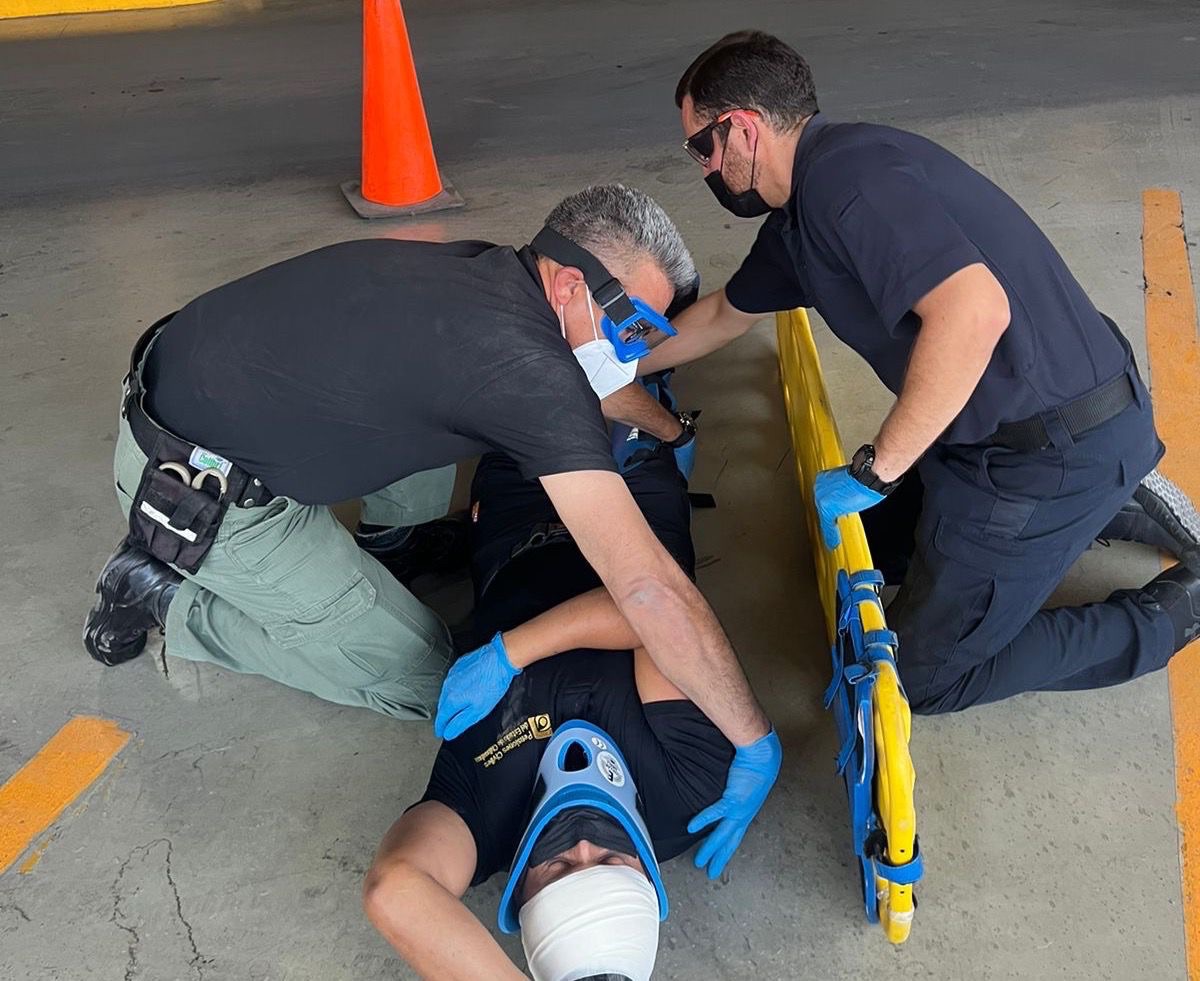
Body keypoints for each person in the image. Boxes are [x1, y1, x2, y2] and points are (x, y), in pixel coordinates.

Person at [79, 181, 780, 824]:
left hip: (201, 382)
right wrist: (754, 740)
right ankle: (162, 597)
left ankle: (394, 542)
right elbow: (648, 589)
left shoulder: (489, 272)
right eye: (632, 326)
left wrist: (670, 431)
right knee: (428, 677)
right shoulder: (525, 374)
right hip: (200, 489)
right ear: (570, 283)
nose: (632, 354)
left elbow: (587, 384)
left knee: (441, 418)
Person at [634, 30, 1200, 714]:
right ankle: (1110, 499)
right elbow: (725, 313)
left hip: (1043, 453)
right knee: (864, 552)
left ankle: (1173, 611)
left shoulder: (849, 186)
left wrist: (877, 470)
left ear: (743, 128)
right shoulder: (807, 210)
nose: (701, 168)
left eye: (701, 147)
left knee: (920, 680)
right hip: (990, 429)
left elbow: (973, 311)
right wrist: (612, 366)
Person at [363, 423, 739, 980]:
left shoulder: (484, 823)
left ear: (520, 887)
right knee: (627, 383)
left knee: (514, 392)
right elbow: (657, 614)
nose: (583, 839)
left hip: (512, 515)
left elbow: (394, 890)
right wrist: (511, 653)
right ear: (647, 873)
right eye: (609, 859)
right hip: (630, 505)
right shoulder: (688, 792)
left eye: (560, 865)